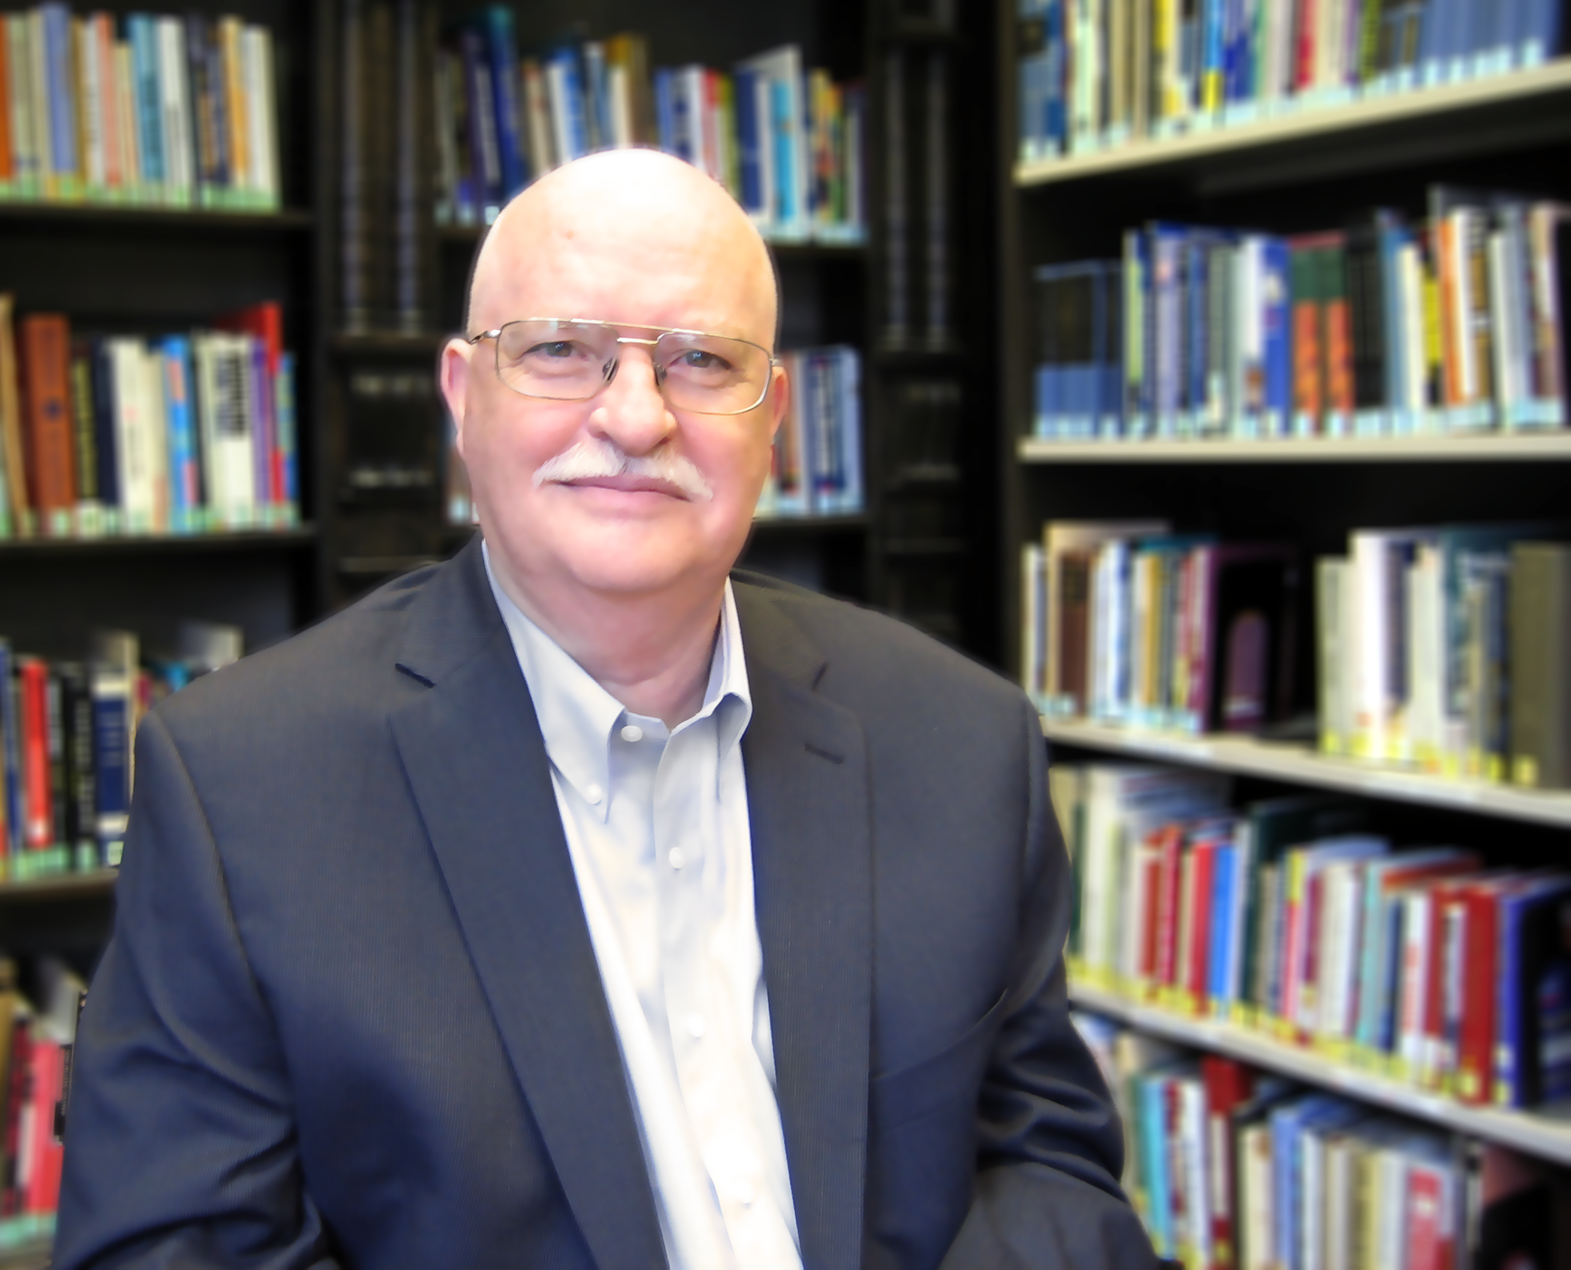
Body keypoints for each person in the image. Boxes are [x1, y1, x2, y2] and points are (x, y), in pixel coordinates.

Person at [54, 150, 1156, 1270]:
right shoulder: (241, 787)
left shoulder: (962, 741)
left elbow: (1046, 1172)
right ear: (460, 398)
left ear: (772, 416)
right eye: (560, 352)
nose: (635, 418)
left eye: (700, 361)